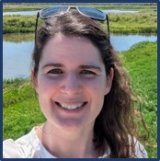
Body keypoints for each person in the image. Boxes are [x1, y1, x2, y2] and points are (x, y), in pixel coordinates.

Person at [3, 6, 148, 158]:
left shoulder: (133, 152)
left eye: (87, 72)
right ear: (35, 80)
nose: (71, 89)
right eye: (55, 71)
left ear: (108, 80)